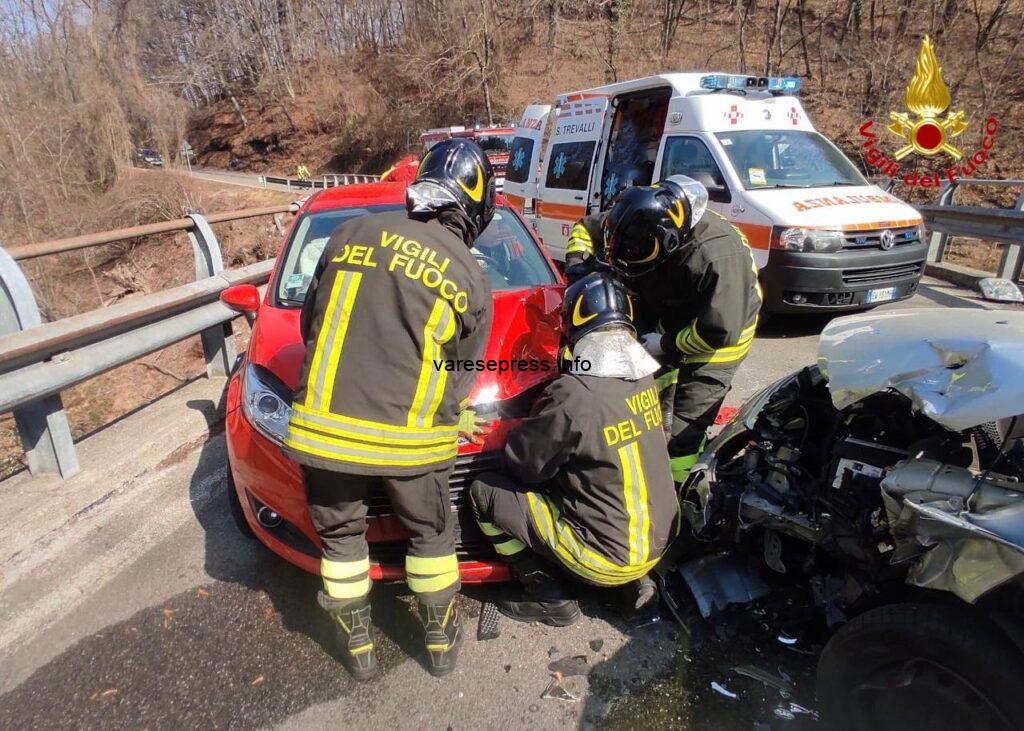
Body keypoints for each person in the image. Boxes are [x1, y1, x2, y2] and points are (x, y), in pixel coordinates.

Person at [284, 139, 495, 680]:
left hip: (323, 433)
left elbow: (311, 326)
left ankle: (358, 651)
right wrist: (455, 417)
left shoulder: (349, 234)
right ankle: (440, 644)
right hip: (411, 444)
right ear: (474, 207)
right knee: (430, 534)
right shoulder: (469, 276)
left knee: (341, 539)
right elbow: (459, 374)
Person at [469, 273, 677, 625]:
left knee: (484, 492)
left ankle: (548, 596)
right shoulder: (643, 375)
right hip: (662, 541)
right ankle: (632, 581)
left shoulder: (574, 394)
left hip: (608, 560)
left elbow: (524, 465)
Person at [563, 176, 761, 486]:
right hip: (666, 314)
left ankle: (679, 499)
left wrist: (665, 345)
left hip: (714, 342)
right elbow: (585, 229)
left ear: (669, 242)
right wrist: (578, 266)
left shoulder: (715, 256)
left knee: (681, 433)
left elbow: (719, 330)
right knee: (640, 405)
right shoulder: (634, 217)